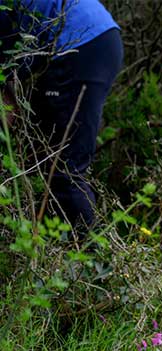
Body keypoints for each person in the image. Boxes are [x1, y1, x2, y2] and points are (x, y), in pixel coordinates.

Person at [0, 0, 122, 237]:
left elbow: (6, 87)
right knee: (43, 157)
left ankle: (90, 264)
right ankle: (48, 251)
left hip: (81, 44)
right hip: (97, 38)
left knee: (63, 170)